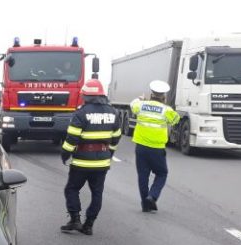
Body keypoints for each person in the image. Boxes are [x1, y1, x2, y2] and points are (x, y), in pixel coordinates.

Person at [60, 79, 121, 236]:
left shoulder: (81, 113)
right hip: (102, 162)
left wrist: (65, 154)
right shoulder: (114, 113)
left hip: (81, 161)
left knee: (72, 189)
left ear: (86, 95)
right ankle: (89, 225)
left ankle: (75, 219)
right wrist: (109, 153)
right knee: (97, 193)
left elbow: (72, 138)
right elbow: (116, 138)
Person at [130, 80, 180, 212]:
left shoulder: (141, 105)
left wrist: (140, 99)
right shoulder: (166, 110)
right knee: (162, 173)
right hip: (157, 148)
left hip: (141, 147)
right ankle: (152, 196)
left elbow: (132, 105)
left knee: (143, 175)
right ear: (164, 96)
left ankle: (145, 204)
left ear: (151, 94)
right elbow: (176, 120)